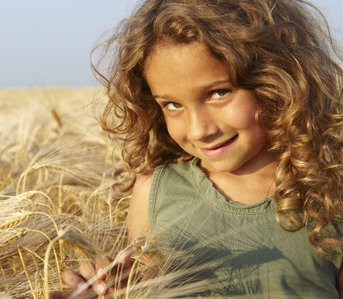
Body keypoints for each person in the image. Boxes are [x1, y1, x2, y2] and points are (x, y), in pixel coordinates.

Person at [53, 0, 342, 297]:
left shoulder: (330, 192)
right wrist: (111, 288)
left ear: (281, 80)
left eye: (219, 93)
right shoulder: (156, 191)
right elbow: (143, 283)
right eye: (173, 105)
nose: (199, 130)